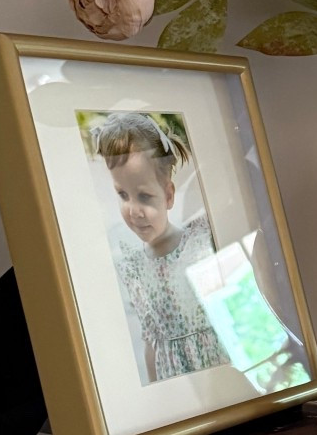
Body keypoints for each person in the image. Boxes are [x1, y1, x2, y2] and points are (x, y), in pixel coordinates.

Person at [90, 111, 227, 384]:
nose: (134, 210)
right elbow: (151, 343)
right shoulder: (134, 267)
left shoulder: (200, 242)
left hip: (218, 377)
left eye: (144, 196)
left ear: (168, 195)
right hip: (175, 385)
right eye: (123, 195)